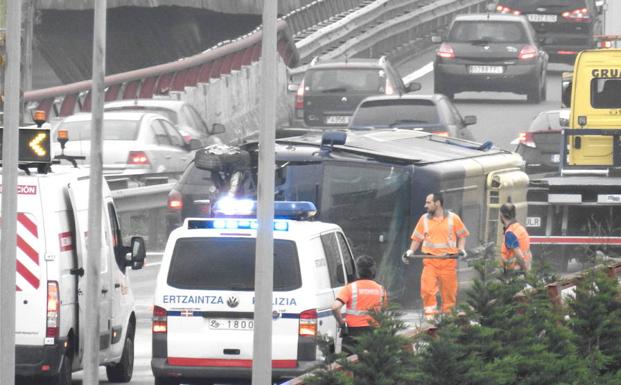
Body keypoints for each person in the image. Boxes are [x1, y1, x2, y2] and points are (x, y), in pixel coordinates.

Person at [403, 192, 469, 319]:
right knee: (427, 291)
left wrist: (461, 249)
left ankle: (448, 319)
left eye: (428, 202)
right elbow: (417, 238)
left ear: (437, 203)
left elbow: (462, 235)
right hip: (430, 262)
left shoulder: (453, 218)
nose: (425, 205)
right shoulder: (424, 219)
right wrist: (411, 251)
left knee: (449, 294)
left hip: (448, 262)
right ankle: (430, 318)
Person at [331, 255, 387, 353]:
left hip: (353, 333)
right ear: (373, 271)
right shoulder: (381, 289)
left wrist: (342, 324)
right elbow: (383, 312)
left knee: (350, 365)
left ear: (358, 271)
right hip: (374, 332)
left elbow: (335, 307)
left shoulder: (350, 288)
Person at [499, 202, 532, 271]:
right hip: (520, 270)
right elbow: (529, 253)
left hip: (513, 273)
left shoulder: (510, 233)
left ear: (501, 215)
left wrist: (525, 270)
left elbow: (519, 255)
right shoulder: (520, 228)